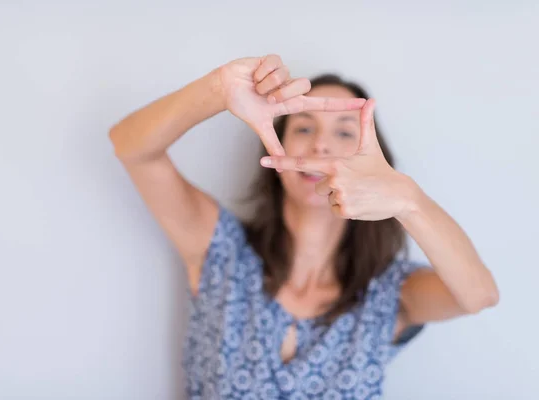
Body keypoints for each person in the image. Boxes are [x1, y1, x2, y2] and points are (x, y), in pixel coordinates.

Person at [108, 54, 499, 399]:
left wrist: (409, 199)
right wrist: (218, 89)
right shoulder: (221, 251)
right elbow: (132, 147)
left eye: (345, 132)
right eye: (304, 128)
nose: (321, 147)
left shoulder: (391, 293)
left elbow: (478, 295)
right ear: (274, 146)